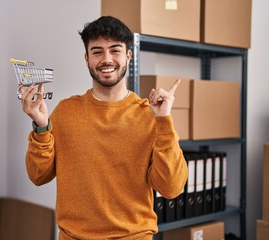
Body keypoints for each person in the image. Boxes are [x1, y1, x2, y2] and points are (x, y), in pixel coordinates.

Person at [20, 16, 188, 240]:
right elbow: (38, 176)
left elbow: (171, 187)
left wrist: (164, 121)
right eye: (97, 51)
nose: (106, 59)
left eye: (115, 50)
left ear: (128, 55)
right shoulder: (65, 111)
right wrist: (41, 127)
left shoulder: (150, 115)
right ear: (87, 58)